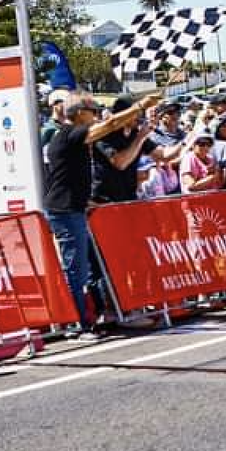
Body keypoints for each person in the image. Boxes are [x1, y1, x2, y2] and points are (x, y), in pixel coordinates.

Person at [43, 91, 160, 338]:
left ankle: (96, 315)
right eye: (93, 110)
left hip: (76, 207)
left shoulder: (73, 136)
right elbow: (111, 124)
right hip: (65, 211)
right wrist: (139, 106)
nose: (97, 114)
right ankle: (76, 324)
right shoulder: (70, 134)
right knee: (75, 268)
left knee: (88, 266)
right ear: (79, 114)